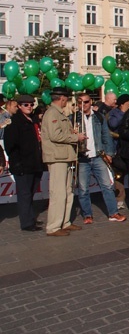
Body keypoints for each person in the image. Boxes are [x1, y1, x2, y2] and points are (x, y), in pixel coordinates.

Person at [71, 93, 126, 224]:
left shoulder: (98, 117)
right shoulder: (73, 118)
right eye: (81, 102)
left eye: (86, 102)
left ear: (91, 102)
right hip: (82, 158)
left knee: (107, 186)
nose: (83, 105)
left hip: (98, 155)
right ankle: (87, 214)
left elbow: (106, 136)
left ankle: (113, 212)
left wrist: (109, 153)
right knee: (83, 189)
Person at [41, 87, 87, 237]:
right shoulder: (52, 113)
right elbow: (55, 136)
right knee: (58, 193)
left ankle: (65, 222)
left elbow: (61, 133)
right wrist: (75, 137)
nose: (67, 101)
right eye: (66, 98)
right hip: (57, 158)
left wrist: (71, 133)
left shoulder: (59, 113)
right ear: (61, 99)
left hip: (65, 156)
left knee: (67, 191)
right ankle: (53, 227)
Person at [4, 95, 44, 232]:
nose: (29, 107)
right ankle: (26, 223)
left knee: (31, 193)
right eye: (26, 105)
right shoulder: (14, 122)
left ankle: (30, 217)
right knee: (24, 194)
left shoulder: (33, 120)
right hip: (22, 164)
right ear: (19, 106)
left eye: (31, 105)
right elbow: (10, 145)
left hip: (35, 162)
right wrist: (16, 164)